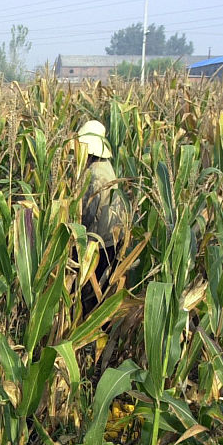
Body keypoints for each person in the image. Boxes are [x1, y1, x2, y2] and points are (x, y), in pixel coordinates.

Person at [76, 120, 120, 316]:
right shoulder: (106, 166)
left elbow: (87, 214)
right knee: (103, 289)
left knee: (92, 295)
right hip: (112, 239)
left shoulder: (94, 174)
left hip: (99, 243)